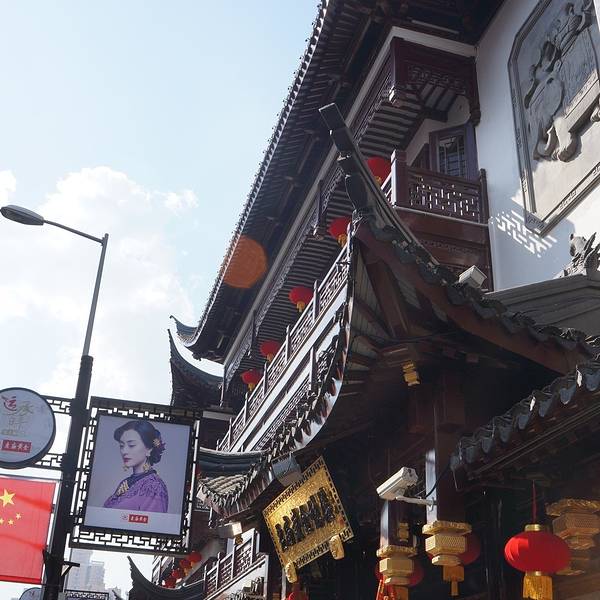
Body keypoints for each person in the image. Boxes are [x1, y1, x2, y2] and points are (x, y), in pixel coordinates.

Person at [103, 420, 169, 513]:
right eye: (122, 446)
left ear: (149, 449)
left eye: (131, 445)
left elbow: (153, 520)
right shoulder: (125, 483)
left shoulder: (154, 487)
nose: (124, 451)